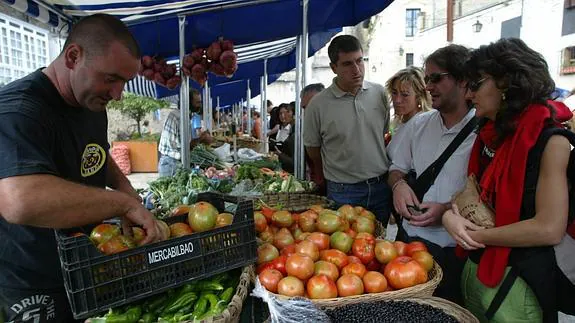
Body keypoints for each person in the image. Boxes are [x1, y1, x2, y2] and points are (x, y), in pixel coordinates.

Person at [0, 14, 162, 322]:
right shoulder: (19, 111)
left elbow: (95, 152)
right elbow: (19, 200)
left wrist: (126, 190)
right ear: (74, 56)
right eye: (111, 79)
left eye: (124, 82)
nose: (118, 94)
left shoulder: (88, 102)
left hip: (85, 259)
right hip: (35, 277)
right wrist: (121, 203)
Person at [442, 38, 573, 322]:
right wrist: (451, 218)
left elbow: (549, 228)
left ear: (506, 83)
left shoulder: (551, 142)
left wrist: (474, 236)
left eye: (475, 84)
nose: (468, 95)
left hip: (520, 283)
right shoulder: (489, 134)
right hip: (477, 272)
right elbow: (471, 197)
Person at [387, 44, 475, 303]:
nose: (428, 87)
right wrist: (398, 186)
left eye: (436, 78)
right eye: (427, 79)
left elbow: (486, 196)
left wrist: (446, 209)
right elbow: (396, 169)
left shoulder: (482, 132)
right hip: (409, 242)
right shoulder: (419, 124)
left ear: (462, 81)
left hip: (454, 248)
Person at [304, 34, 392, 225]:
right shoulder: (318, 105)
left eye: (360, 61)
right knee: (346, 251)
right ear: (333, 68)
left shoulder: (379, 94)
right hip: (343, 192)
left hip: (380, 187)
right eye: (347, 64)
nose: (356, 70)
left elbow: (383, 133)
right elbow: (313, 148)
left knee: (382, 247)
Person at [158, 88, 211, 177]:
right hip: (170, 163)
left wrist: (201, 138)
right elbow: (183, 147)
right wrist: (200, 139)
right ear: (188, 103)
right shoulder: (176, 116)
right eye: (197, 102)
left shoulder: (189, 117)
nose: (200, 105)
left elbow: (188, 144)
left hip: (177, 161)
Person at [385, 66, 432, 161]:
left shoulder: (423, 123)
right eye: (394, 92)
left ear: (419, 96)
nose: (397, 100)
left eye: (405, 94)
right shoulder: (402, 122)